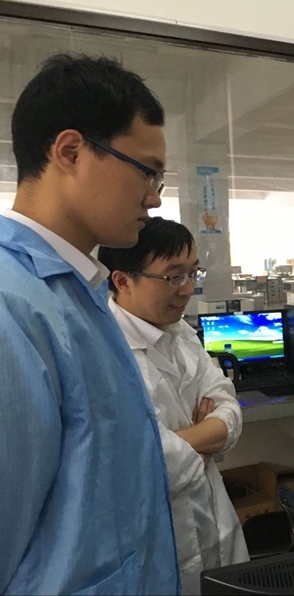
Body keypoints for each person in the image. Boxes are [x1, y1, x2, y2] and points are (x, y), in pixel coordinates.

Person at [0, 54, 179, 593]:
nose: (154, 197)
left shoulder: (78, 290)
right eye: (146, 171)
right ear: (71, 152)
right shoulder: (12, 305)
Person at [98, 217, 249, 594]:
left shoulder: (182, 333)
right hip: (156, 548)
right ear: (123, 280)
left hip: (216, 527)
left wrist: (183, 441)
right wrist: (204, 444)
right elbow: (145, 464)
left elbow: (229, 411)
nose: (187, 289)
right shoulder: (104, 350)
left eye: (192, 273)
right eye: (172, 276)